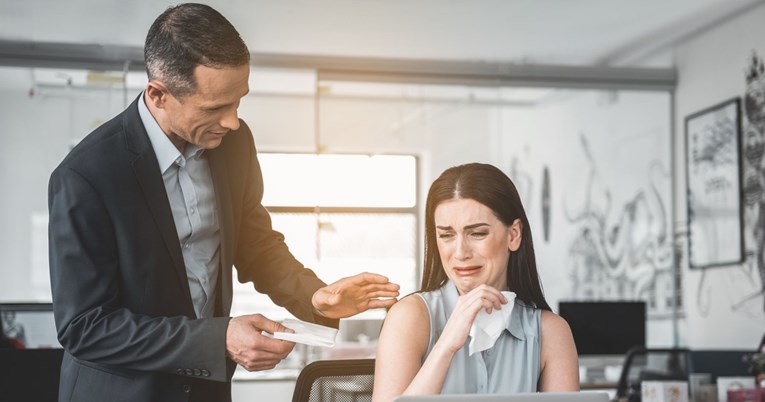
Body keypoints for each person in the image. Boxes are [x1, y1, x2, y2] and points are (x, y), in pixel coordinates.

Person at [47, 4, 399, 402]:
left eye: (238, 101)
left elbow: (255, 244)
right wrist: (218, 339)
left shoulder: (233, 143)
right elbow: (85, 327)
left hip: (207, 390)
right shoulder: (86, 176)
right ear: (158, 95)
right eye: (215, 108)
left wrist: (314, 296)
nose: (232, 121)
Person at [373, 163, 579, 402]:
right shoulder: (410, 317)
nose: (460, 252)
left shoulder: (550, 332)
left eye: (477, 233)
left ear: (513, 235)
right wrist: (446, 345)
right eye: (447, 235)